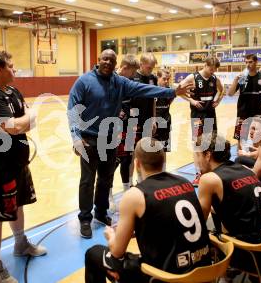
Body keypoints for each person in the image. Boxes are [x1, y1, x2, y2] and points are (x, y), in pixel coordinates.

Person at [67, 49, 192, 239]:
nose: (108, 62)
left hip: (110, 137)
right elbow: (73, 110)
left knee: (105, 178)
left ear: (116, 63)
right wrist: (76, 137)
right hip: (89, 139)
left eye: (111, 60)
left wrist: (172, 91)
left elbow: (146, 90)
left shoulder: (120, 82)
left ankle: (101, 213)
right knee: (87, 180)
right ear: (98, 59)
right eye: (105, 59)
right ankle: (85, 218)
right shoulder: (84, 81)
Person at [85, 138, 211, 283]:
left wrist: (111, 236)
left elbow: (116, 252)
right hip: (204, 272)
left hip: (167, 278)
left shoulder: (135, 195)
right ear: (163, 160)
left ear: (137, 163)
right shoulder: (185, 182)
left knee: (93, 254)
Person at [0, 51, 47, 283]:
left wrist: (24, 120)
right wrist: (29, 117)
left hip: (18, 160)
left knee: (19, 204)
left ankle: (20, 243)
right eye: (11, 67)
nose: (15, 70)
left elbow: (24, 122)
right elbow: (14, 126)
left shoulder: (13, 91)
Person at [196, 133, 261, 277]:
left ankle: (223, 273)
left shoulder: (209, 179)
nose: (196, 160)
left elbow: (198, 223)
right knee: (217, 212)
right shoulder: (245, 169)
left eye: (197, 155)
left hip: (255, 255)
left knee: (202, 238)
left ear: (207, 155)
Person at [182, 57, 224, 181]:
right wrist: (191, 100)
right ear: (205, 65)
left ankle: (211, 169)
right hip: (197, 115)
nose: (213, 72)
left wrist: (218, 101)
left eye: (214, 70)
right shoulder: (192, 77)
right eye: (211, 69)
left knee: (211, 143)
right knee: (197, 144)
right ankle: (198, 173)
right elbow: (179, 91)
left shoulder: (214, 78)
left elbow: (222, 90)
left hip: (210, 113)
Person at [109, 55, 140, 211]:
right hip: (111, 129)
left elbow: (133, 104)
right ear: (125, 68)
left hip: (128, 126)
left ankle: (126, 191)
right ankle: (108, 195)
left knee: (127, 159)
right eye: (132, 72)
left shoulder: (129, 83)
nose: (133, 76)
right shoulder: (109, 80)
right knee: (111, 162)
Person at [228, 54, 261, 149]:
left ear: (256, 62)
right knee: (240, 137)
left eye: (250, 62)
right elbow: (230, 93)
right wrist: (235, 80)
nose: (248, 64)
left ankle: (256, 157)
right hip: (243, 112)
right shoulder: (242, 78)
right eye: (246, 62)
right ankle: (239, 156)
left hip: (259, 113)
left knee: (258, 137)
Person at [154, 68, 174, 154]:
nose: (166, 81)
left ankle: (163, 168)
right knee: (152, 151)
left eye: (168, 79)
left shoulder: (169, 91)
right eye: (164, 79)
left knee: (164, 151)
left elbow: (169, 102)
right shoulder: (152, 90)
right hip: (154, 124)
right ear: (158, 78)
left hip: (166, 122)